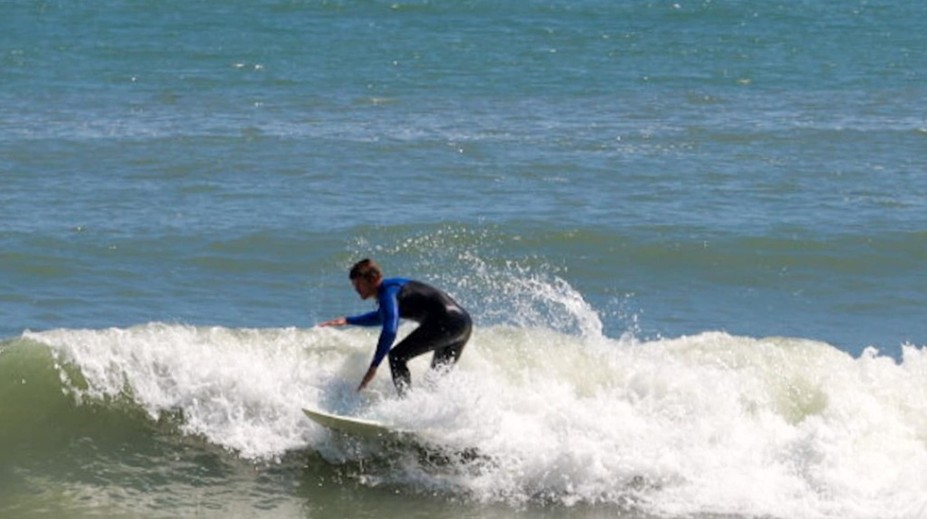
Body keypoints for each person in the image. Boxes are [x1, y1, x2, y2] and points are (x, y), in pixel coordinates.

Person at [318, 259, 472, 396]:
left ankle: (407, 406)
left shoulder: (387, 292)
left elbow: (390, 328)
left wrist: (374, 367)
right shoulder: (392, 289)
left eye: (358, 284)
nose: (356, 289)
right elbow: (381, 316)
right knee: (434, 379)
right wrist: (347, 320)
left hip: (447, 322)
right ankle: (435, 419)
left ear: (372, 279)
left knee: (397, 357)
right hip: (463, 325)